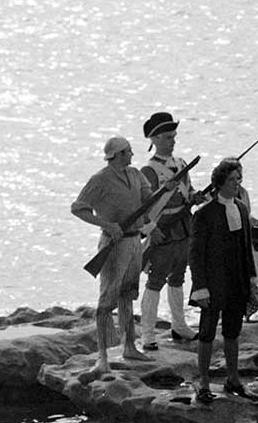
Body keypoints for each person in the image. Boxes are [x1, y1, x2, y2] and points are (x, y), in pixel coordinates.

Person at [71, 135, 150, 372]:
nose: (132, 155)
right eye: (128, 151)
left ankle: (129, 346)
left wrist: (168, 191)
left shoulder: (135, 174)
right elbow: (78, 208)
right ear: (118, 155)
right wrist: (106, 224)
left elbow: (149, 198)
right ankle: (102, 357)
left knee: (128, 294)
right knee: (107, 301)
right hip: (113, 245)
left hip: (135, 241)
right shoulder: (100, 179)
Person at [189, 159, 258, 402]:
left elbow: (246, 248)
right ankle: (204, 381)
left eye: (239, 178)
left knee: (232, 330)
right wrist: (200, 287)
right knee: (207, 331)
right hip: (213, 281)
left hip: (237, 279)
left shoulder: (241, 208)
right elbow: (196, 255)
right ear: (219, 183)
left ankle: (233, 379)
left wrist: (252, 279)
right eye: (232, 179)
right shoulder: (204, 214)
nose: (237, 183)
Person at [138, 110, 206, 350]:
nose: (172, 140)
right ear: (154, 139)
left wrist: (198, 197)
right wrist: (150, 228)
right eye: (167, 137)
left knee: (178, 277)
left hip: (184, 226)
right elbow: (142, 206)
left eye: (173, 136)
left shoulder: (181, 164)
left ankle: (179, 325)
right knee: (156, 281)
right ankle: (148, 333)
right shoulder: (149, 171)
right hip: (163, 229)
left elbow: (189, 192)